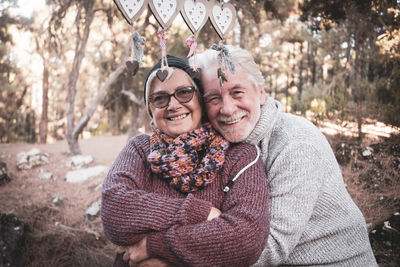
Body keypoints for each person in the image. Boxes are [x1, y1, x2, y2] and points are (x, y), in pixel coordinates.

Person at [190, 45, 378, 266]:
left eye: (237, 93)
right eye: (214, 98)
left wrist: (167, 256)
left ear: (261, 92)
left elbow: (270, 246)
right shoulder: (215, 145)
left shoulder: (296, 142)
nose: (228, 109)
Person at [101, 55, 270, 267]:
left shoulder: (240, 156)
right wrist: (200, 213)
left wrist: (153, 246)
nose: (173, 105)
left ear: (200, 98)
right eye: (159, 98)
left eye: (184, 93)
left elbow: (246, 239)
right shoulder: (139, 149)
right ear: (151, 109)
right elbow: (114, 210)